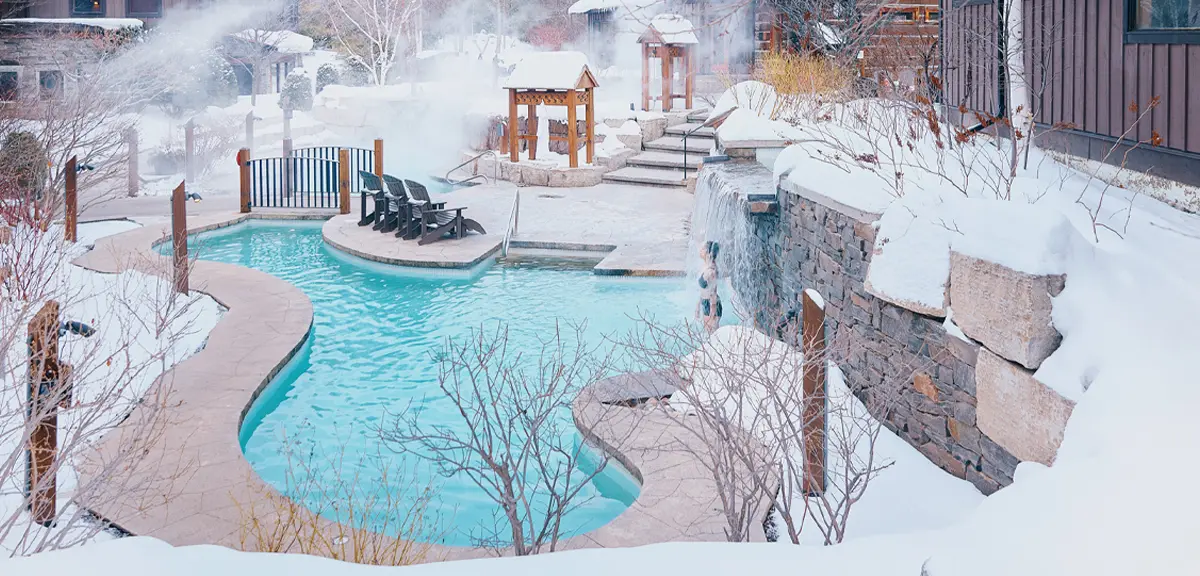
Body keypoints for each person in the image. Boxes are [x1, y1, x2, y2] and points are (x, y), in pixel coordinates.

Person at [697, 241, 722, 334]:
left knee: (712, 335)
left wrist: (712, 313)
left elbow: (713, 292)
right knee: (709, 335)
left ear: (709, 253)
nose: (700, 250)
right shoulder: (706, 267)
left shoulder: (711, 271)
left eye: (703, 248)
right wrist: (698, 306)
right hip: (706, 302)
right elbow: (703, 290)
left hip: (711, 305)